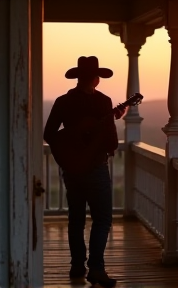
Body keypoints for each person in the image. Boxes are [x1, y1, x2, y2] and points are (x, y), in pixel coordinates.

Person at [44, 56, 123, 287]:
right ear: (96, 79)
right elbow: (111, 143)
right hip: (96, 168)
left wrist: (72, 146)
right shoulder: (103, 102)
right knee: (102, 219)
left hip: (72, 168)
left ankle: (77, 265)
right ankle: (96, 269)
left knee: (76, 219)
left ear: (78, 78)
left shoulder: (62, 101)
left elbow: (49, 134)